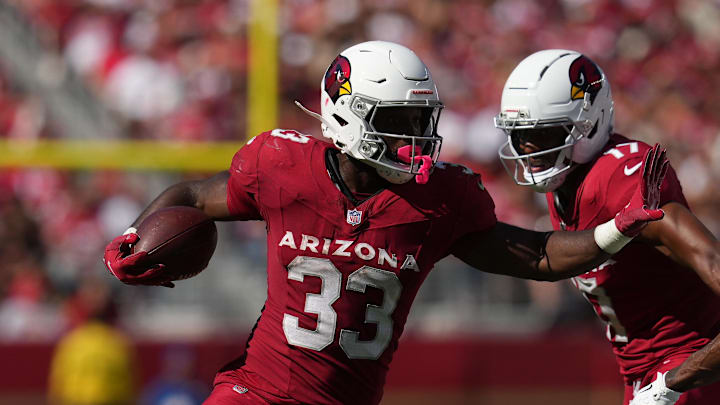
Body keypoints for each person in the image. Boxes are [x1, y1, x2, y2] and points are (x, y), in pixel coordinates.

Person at [104, 41, 666, 405]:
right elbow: (193, 198)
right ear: (347, 116)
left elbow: (538, 256)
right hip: (257, 391)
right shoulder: (282, 167)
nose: (415, 141)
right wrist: (137, 236)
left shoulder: (439, 200)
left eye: (422, 122)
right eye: (401, 123)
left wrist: (613, 231)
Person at [495, 49, 720, 405]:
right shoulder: (564, 185)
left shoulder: (619, 177)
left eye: (545, 134)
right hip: (644, 375)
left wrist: (675, 381)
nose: (528, 150)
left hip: (692, 370)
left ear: (589, 124)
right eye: (520, 135)